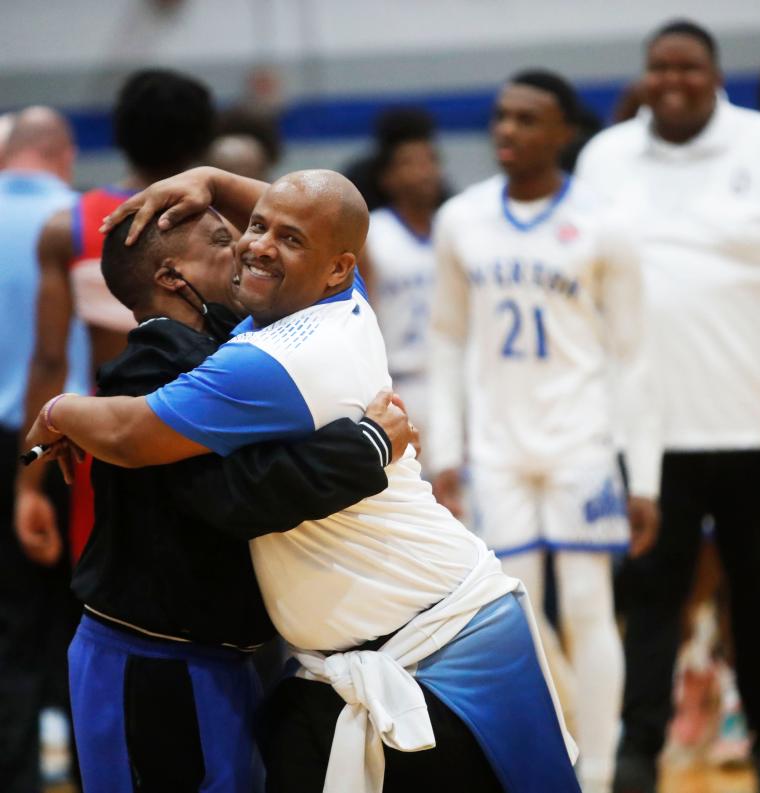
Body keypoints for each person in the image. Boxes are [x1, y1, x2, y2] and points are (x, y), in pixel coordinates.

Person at [27, 165, 581, 793]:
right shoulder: (334, 303)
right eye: (248, 229)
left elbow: (140, 440)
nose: (251, 245)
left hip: (440, 638)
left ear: (336, 266)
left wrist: (58, 409)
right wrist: (370, 444)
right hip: (219, 654)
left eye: (283, 240)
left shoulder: (265, 359)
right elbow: (317, 227)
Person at [576, 20, 760, 793]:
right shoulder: (607, 158)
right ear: (646, 76)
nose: (673, 80)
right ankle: (639, 748)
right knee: (652, 588)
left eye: (689, 67)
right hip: (646, 421)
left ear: (715, 75)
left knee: (755, 583)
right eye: (660, 67)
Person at [57, 203, 415, 793]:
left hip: (216, 654)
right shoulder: (149, 369)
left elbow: (331, 247)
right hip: (149, 658)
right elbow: (237, 495)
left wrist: (217, 181)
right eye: (228, 240)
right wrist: (369, 447)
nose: (251, 249)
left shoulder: (232, 343)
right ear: (173, 277)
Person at [429, 69, 659, 793]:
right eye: (500, 117)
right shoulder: (461, 218)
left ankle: (596, 771)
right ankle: (555, 754)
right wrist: (445, 449)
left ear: (563, 132)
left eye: (528, 119)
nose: (508, 130)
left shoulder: (604, 221)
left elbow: (634, 355)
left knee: (590, 605)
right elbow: (445, 340)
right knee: (515, 615)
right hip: (496, 446)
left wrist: (643, 473)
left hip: (582, 440)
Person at [17, 69, 216, 570]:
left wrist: (27, 484)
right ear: (203, 136)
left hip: (107, 438)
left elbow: (47, 362)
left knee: (106, 597)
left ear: (120, 134)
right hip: (208, 431)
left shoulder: (71, 227)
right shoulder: (220, 225)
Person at [0, 106, 90, 793]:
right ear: (64, 154)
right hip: (85, 442)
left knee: (10, 632)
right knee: (94, 622)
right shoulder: (92, 222)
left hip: (7, 445)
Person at [360, 108, 445, 477]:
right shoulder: (372, 234)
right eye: (411, 163)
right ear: (388, 177)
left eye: (431, 161)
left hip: (451, 381)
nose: (425, 170)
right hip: (400, 384)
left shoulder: (455, 226)